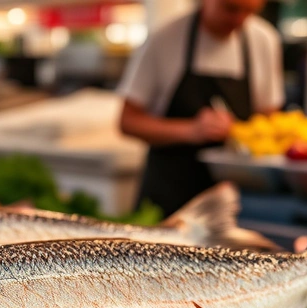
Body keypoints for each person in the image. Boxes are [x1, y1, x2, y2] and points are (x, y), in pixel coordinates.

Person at [118, 0, 284, 216]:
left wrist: (242, 133)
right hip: (170, 195)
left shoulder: (264, 40)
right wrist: (191, 130)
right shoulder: (165, 39)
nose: (239, 19)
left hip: (237, 200)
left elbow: (269, 119)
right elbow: (128, 121)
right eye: (230, 8)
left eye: (249, 12)